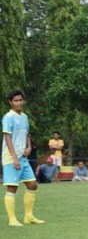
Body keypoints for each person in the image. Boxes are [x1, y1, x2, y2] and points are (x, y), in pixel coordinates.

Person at [3, 90, 45, 226]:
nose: (19, 103)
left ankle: (29, 217)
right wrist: (14, 158)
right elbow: (7, 137)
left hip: (23, 157)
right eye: (16, 100)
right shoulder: (8, 117)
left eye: (20, 100)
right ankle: (12, 220)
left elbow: (27, 134)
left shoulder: (25, 117)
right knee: (12, 188)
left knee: (32, 185)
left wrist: (29, 146)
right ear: (11, 102)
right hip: (11, 158)